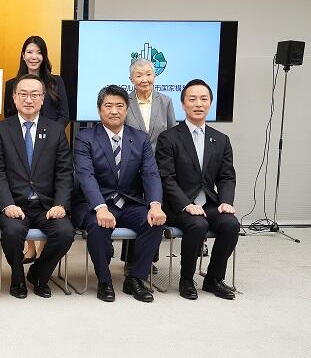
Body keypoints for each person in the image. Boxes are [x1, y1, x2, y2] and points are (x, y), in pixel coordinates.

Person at [73, 85, 166, 303]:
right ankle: (104, 280)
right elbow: (85, 175)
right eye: (108, 106)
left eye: (119, 106)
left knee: (153, 222)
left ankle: (135, 279)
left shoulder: (140, 138)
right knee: (97, 225)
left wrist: (154, 204)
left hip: (130, 202)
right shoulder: (85, 138)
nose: (114, 111)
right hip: (96, 203)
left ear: (127, 109)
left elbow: (151, 173)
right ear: (99, 110)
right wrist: (101, 207)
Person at [0, 75, 74, 299]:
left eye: (35, 95)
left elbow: (64, 172)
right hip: (13, 204)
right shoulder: (0, 130)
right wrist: (6, 205)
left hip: (46, 205)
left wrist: (61, 205)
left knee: (65, 232)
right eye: (23, 94)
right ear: (14, 98)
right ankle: (17, 277)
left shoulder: (55, 130)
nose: (29, 99)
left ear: (43, 99)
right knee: (14, 232)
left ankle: (39, 274)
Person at [155, 79, 239, 300]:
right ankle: (187, 280)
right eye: (192, 99)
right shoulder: (169, 137)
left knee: (231, 224)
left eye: (204, 99)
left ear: (210, 103)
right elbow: (166, 178)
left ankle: (213, 279)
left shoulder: (221, 139)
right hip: (177, 206)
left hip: (208, 203)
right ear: (183, 104)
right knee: (197, 224)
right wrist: (186, 205)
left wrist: (226, 201)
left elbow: (227, 176)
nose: (198, 104)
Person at [3, 36, 70, 264]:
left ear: (44, 55)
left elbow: (64, 114)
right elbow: (8, 117)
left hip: (50, 146)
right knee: (23, 184)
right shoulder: (13, 84)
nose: (34, 56)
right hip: (21, 144)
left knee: (45, 192)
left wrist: (50, 136)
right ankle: (30, 248)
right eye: (29, 52)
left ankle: (42, 251)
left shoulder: (55, 82)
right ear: (23, 55)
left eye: (38, 52)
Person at [121, 58, 177, 270]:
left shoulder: (166, 101)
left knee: (155, 209)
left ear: (155, 76)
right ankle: (129, 260)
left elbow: (172, 133)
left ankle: (147, 259)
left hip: (158, 166)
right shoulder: (125, 101)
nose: (144, 79)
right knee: (134, 209)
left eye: (148, 74)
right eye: (139, 75)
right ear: (131, 79)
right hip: (130, 167)